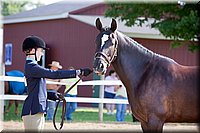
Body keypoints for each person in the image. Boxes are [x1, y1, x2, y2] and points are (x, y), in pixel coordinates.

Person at [21, 35, 92, 131]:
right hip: (33, 110)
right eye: (40, 51)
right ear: (33, 50)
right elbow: (54, 74)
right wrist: (79, 72)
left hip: (37, 110)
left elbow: (35, 90)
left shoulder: (32, 67)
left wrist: (52, 95)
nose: (42, 54)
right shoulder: (32, 67)